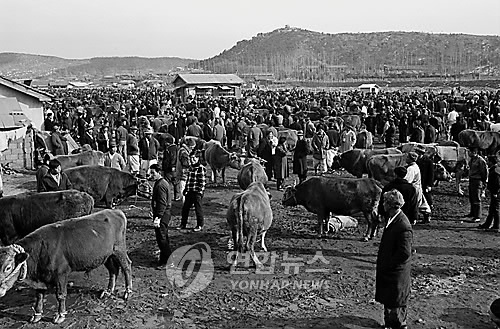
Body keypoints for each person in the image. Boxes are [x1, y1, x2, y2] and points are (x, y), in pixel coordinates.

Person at [375, 189, 413, 329]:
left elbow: (404, 252)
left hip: (396, 271)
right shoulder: (393, 219)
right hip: (390, 270)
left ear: (391, 205)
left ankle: (398, 325)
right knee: (390, 300)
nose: (383, 204)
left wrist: (389, 264)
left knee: (396, 302)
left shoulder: (403, 226)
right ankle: (389, 324)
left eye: (385, 202)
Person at [149, 164, 174, 269]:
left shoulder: (160, 185)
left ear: (159, 172)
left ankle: (168, 262)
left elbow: (162, 203)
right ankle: (163, 259)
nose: (151, 175)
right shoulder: (162, 183)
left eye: (153, 173)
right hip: (164, 214)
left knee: (162, 239)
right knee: (163, 238)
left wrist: (158, 217)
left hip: (163, 215)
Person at [178, 151, 206, 232]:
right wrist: (186, 189)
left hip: (196, 192)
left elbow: (202, 182)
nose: (192, 160)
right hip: (189, 191)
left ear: (197, 158)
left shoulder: (201, 168)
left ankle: (200, 225)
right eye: (191, 158)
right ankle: (183, 224)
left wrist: (200, 192)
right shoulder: (190, 168)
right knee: (185, 209)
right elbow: (189, 180)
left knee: (198, 209)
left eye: (194, 158)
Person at [405, 151, 431, 222]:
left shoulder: (411, 169)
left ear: (411, 159)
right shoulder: (415, 166)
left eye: (407, 157)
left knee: (413, 204)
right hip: (417, 187)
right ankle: (426, 214)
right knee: (421, 202)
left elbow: (408, 180)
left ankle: (413, 219)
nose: (406, 159)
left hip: (413, 188)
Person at [465, 147, 488, 222]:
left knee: (476, 198)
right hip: (472, 179)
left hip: (477, 180)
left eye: (469, 152)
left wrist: (484, 182)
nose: (468, 153)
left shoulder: (480, 161)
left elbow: (484, 172)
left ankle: (477, 216)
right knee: (472, 197)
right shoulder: (472, 160)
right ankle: (472, 213)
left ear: (474, 152)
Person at [478, 154, 500, 232]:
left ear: (491, 162)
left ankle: (496, 226)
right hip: (495, 192)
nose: (487, 162)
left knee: (495, 209)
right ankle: (488, 224)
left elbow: (497, 183)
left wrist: (495, 192)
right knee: (492, 209)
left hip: (496, 193)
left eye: (488, 161)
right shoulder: (495, 169)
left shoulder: (495, 170)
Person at [415, 145, 434, 223]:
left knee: (426, 198)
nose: (418, 154)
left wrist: (429, 184)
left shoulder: (428, 161)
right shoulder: (415, 160)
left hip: (424, 183)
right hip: (417, 182)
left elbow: (431, 174)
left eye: (419, 153)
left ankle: (427, 215)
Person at [175, 138, 195, 202]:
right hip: (183, 174)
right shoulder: (184, 153)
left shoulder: (181, 150)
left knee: (182, 187)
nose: (192, 149)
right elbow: (186, 164)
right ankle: (185, 203)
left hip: (179, 171)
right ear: (189, 146)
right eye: (192, 147)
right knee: (183, 189)